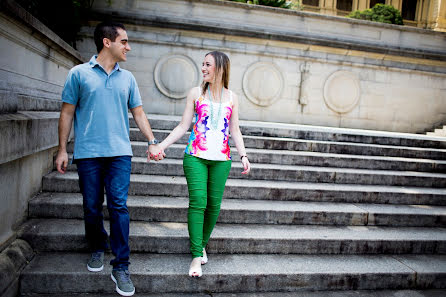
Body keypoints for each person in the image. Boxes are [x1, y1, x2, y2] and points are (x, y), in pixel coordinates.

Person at [55, 21, 164, 296]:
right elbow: (67, 113)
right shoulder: (78, 74)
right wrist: (62, 149)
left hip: (119, 154)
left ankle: (121, 265)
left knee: (118, 206)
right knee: (91, 207)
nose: (128, 47)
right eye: (124, 41)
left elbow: (138, 113)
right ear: (107, 42)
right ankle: (96, 245)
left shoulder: (127, 79)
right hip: (88, 153)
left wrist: (152, 142)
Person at [158, 51, 251, 277]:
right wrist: (162, 146)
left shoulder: (232, 97)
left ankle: (200, 244)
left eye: (207, 65)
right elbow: (183, 126)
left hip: (222, 159)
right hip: (195, 156)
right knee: (198, 202)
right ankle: (195, 257)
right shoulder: (195, 93)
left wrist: (244, 155)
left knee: (214, 207)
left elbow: (235, 130)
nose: (203, 68)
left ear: (220, 68)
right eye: (203, 64)